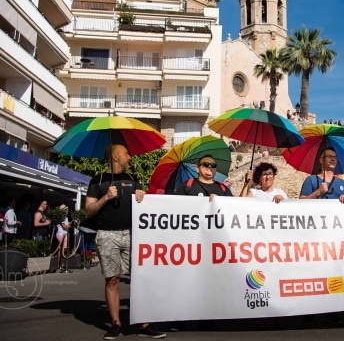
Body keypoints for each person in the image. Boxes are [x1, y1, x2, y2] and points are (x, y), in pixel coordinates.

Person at [85, 144, 165, 339]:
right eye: (126, 154)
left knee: (139, 278)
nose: (129, 157)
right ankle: (116, 324)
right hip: (107, 235)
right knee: (112, 279)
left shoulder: (132, 178)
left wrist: (142, 195)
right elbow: (89, 211)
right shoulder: (97, 181)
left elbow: (143, 204)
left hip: (132, 234)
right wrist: (106, 197)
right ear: (115, 156)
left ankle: (144, 324)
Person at [173, 155, 233, 331]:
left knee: (208, 282)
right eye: (206, 164)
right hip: (190, 243)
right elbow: (173, 207)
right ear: (198, 168)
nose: (210, 167)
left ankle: (206, 318)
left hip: (213, 244)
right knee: (186, 281)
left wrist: (221, 201)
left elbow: (233, 210)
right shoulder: (187, 185)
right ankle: (179, 318)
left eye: (213, 165)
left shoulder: (222, 188)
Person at [299, 147, 344, 326]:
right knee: (315, 273)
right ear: (321, 160)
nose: (333, 159)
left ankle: (333, 309)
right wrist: (317, 193)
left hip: (335, 236)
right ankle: (311, 310)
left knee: (334, 273)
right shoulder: (311, 180)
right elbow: (300, 203)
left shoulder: (342, 184)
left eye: (335, 157)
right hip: (315, 235)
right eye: (329, 156)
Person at [240, 162, 287, 329]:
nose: (268, 177)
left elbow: (290, 212)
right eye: (264, 174)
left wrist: (283, 201)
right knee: (260, 280)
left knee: (276, 279)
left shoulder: (281, 193)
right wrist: (246, 183)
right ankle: (261, 315)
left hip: (276, 244)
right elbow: (240, 204)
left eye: (270, 174)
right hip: (258, 244)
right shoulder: (254, 192)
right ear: (259, 177)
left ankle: (278, 315)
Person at [55, 204, 73, 270]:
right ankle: (59, 264)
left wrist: (72, 222)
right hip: (61, 234)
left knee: (64, 249)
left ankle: (61, 263)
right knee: (62, 249)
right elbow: (64, 226)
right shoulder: (62, 216)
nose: (67, 210)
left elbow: (66, 224)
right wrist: (71, 226)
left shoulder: (65, 217)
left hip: (64, 234)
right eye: (66, 209)